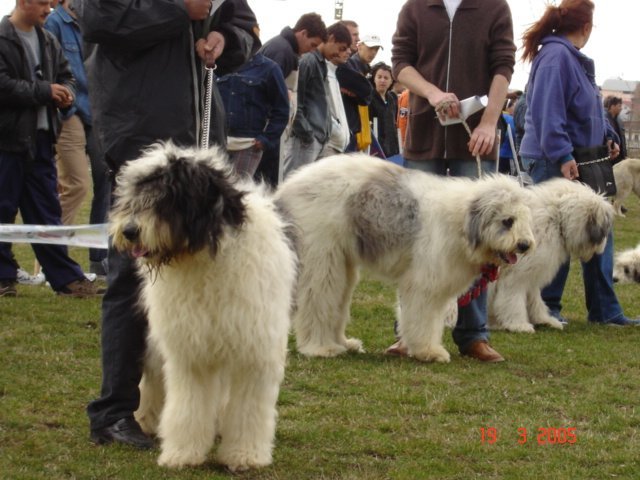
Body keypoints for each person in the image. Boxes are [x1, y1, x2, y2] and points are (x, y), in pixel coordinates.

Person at [76, 0, 261, 448]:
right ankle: (115, 411)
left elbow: (245, 27)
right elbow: (101, 20)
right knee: (132, 279)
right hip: (140, 133)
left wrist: (227, 40)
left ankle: (192, 411)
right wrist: (181, 10)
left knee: (207, 281)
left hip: (200, 138)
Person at [390, 0, 516, 362]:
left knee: (481, 239)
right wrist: (430, 93)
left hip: (475, 139)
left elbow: (503, 67)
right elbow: (401, 64)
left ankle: (473, 334)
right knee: (414, 240)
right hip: (423, 136)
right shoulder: (415, 7)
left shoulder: (494, 8)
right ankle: (408, 334)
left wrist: (490, 122)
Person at [519, 0, 639, 327]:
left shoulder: (571, 60)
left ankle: (604, 310)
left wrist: (606, 137)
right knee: (554, 237)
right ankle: (544, 308)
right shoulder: (557, 58)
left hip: (582, 158)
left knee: (599, 229)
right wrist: (562, 156)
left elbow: (585, 111)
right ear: (586, 26)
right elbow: (547, 114)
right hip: (554, 160)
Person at [0, 0, 103, 299]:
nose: (49, 9)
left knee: (48, 214)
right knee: (3, 211)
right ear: (23, 2)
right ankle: (3, 277)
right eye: (43, 3)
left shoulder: (48, 39)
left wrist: (66, 93)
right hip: (7, 142)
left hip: (42, 141)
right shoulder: (3, 38)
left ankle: (66, 279)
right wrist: (45, 91)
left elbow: (66, 75)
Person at [44, 0, 110, 277]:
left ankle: (99, 257)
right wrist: (66, 106)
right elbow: (52, 70)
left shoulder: (97, 21)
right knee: (77, 185)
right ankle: (52, 259)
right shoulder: (55, 23)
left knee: (105, 181)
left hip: (98, 111)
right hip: (69, 112)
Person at [254, 13, 327, 186]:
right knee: (265, 183)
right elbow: (266, 94)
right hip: (266, 129)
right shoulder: (282, 51)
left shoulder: (285, 50)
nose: (312, 50)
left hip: (271, 129)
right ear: (302, 33)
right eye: (313, 44)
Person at [281, 21, 351, 179]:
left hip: (316, 138)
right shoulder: (309, 61)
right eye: (340, 48)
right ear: (331, 38)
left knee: (303, 188)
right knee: (293, 184)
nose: (340, 54)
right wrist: (306, 132)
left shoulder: (320, 64)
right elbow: (296, 101)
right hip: (306, 139)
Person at [217, 51, 289, 176]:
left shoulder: (270, 68)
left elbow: (281, 109)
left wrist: (265, 139)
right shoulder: (217, 65)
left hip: (248, 145)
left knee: (239, 190)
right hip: (217, 142)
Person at [368, 62, 400, 158]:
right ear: (374, 78)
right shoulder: (368, 97)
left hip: (392, 147)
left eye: (386, 78)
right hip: (376, 147)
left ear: (391, 81)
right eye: (379, 77)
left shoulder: (392, 98)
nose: (382, 80)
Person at [603, 95, 627, 163]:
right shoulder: (604, 119)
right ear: (612, 106)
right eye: (619, 106)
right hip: (609, 157)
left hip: (619, 157)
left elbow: (622, 139)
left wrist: (624, 154)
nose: (621, 108)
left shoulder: (619, 120)